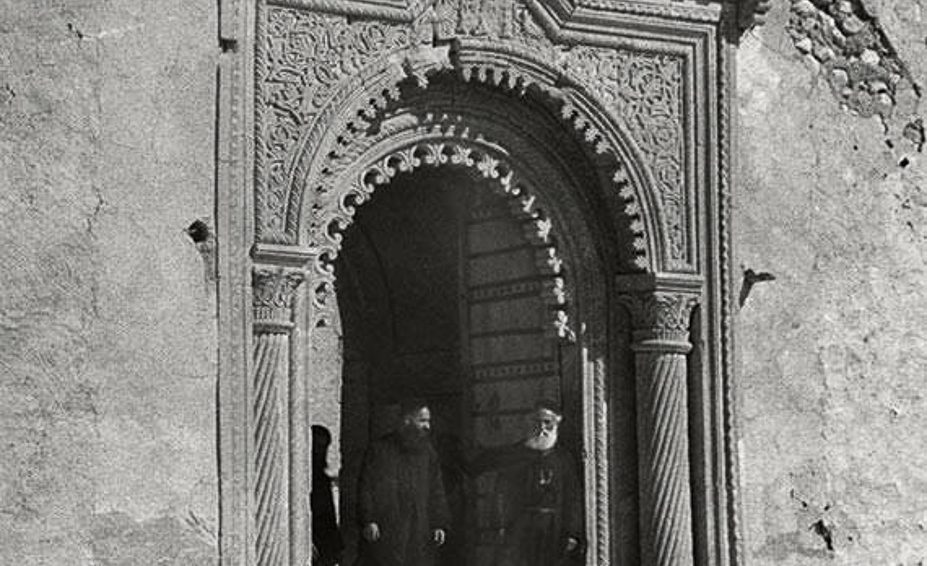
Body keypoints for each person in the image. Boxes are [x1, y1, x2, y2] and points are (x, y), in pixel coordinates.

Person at [472, 400, 584, 566]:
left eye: (547, 422)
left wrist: (573, 532)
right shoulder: (516, 454)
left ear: (556, 425)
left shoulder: (563, 460)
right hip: (521, 527)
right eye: (537, 422)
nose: (542, 427)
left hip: (554, 527)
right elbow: (501, 492)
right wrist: (499, 524)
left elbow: (573, 498)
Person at [355, 399, 450, 566]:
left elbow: (437, 490)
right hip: (387, 527)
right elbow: (366, 487)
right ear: (407, 420)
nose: (427, 426)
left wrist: (439, 524)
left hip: (419, 529)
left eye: (428, 421)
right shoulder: (380, 450)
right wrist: (369, 519)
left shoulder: (428, 453)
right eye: (422, 421)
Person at [312, 425, 345, 566]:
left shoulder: (322, 478)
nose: (321, 452)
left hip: (324, 539)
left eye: (323, 447)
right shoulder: (308, 478)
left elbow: (328, 513)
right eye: (317, 447)